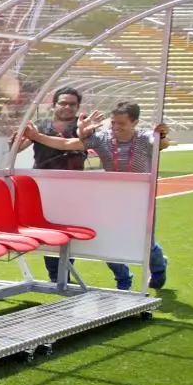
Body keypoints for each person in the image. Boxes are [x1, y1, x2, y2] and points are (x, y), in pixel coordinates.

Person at [21, 100, 170, 292]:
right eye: (113, 122)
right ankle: (123, 279)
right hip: (111, 198)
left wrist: (162, 134)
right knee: (107, 239)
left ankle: (159, 267)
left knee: (145, 241)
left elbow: (161, 143)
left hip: (141, 198)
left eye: (121, 124)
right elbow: (67, 144)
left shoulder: (144, 137)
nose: (115, 127)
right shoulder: (103, 138)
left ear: (134, 122)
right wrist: (36, 136)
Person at [16, 86, 97, 284]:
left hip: (72, 187)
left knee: (69, 231)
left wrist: (37, 137)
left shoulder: (82, 127)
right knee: (48, 230)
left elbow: (78, 143)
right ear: (54, 105)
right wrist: (17, 136)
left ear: (78, 107)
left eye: (72, 104)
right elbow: (16, 148)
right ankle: (56, 276)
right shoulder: (41, 125)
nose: (67, 107)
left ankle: (63, 273)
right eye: (63, 103)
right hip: (43, 186)